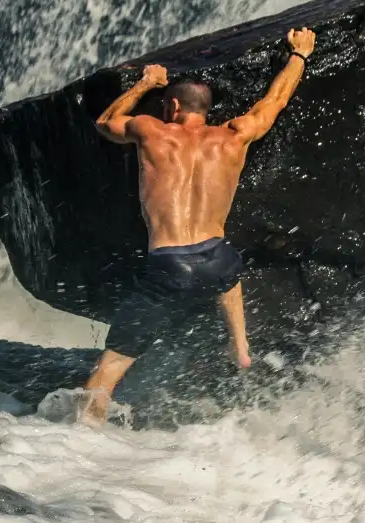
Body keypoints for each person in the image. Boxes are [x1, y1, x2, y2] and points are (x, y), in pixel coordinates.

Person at [80, 27, 316, 426]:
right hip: (218, 259)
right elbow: (275, 100)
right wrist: (300, 55)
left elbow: (105, 122)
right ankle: (239, 344)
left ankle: (82, 438)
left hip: (170, 265)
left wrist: (145, 83)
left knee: (110, 368)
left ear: (172, 106)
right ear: (205, 109)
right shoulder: (235, 136)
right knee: (228, 269)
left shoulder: (151, 132)